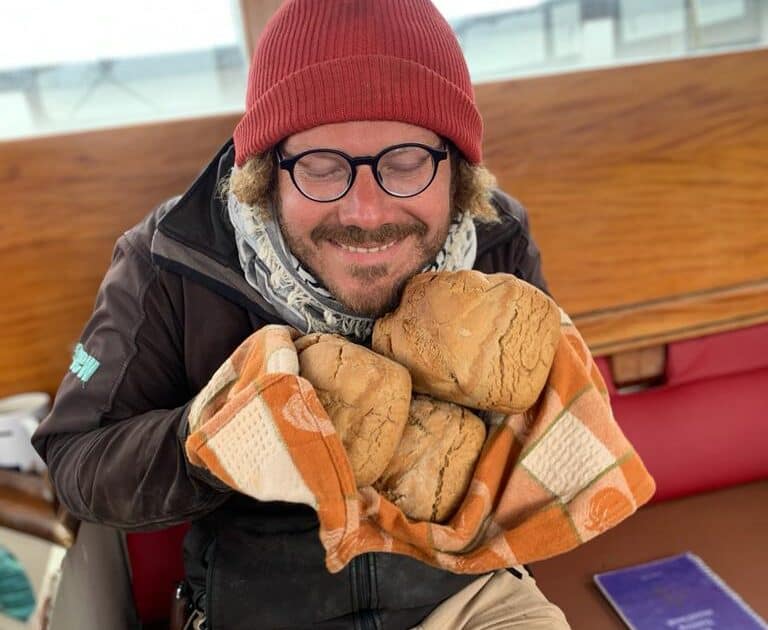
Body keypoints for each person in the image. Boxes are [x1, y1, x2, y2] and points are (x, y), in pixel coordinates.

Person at [33, 1, 571, 628]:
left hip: (467, 593)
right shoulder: (170, 259)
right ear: (267, 173)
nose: (366, 213)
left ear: (457, 170)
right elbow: (75, 458)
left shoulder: (494, 240)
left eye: (405, 163)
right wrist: (210, 440)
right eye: (322, 167)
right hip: (264, 605)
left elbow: (548, 420)